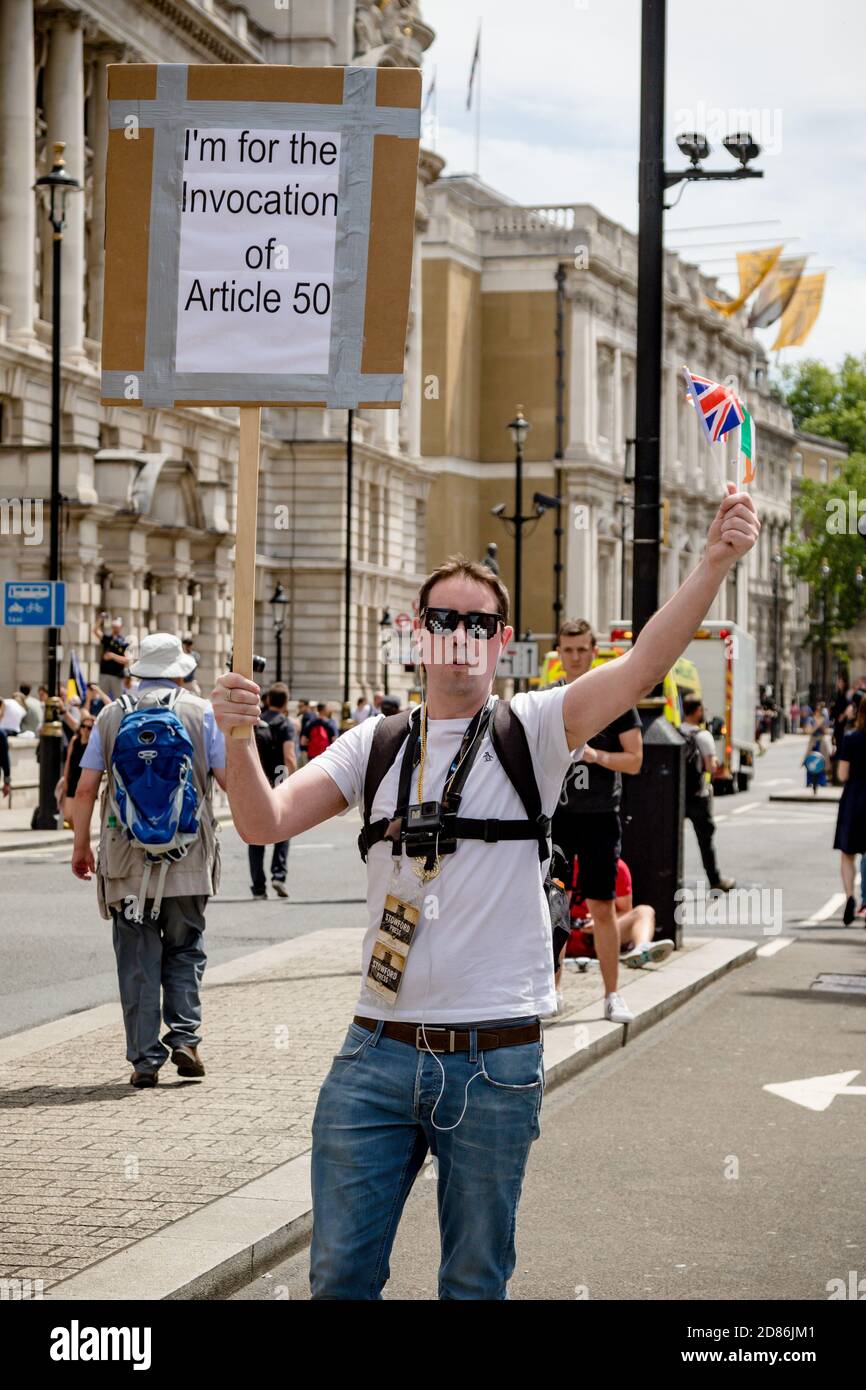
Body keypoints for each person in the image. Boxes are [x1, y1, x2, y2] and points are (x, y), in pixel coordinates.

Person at [210, 483, 759, 1301]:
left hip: (494, 1061)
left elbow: (644, 662)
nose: (460, 638)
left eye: (478, 625)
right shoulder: (378, 742)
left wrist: (715, 561)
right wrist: (235, 738)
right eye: (445, 621)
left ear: (500, 641)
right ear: (419, 635)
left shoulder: (533, 729)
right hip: (375, 1053)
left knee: (473, 1282)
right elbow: (263, 823)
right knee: (338, 1278)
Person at [71, 632, 227, 1088]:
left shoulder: (110, 715)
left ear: (135, 671)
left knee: (136, 957)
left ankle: (144, 1060)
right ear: (181, 668)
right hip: (188, 852)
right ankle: (185, 1038)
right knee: (185, 948)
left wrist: (82, 846)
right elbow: (232, 783)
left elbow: (84, 789)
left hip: (125, 857)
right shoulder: (202, 713)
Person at [550, 619, 643, 1024]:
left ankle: (611, 994)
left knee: (603, 905)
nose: (574, 657)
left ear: (593, 650)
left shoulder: (614, 697)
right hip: (558, 816)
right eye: (567, 650)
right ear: (559, 652)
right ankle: (552, 990)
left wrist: (594, 756)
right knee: (554, 904)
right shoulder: (548, 699)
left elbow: (635, 760)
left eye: (581, 650)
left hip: (600, 815)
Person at [548, 855, 674, 1012]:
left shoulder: (616, 866)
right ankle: (553, 988)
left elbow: (625, 911)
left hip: (600, 934)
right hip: (565, 935)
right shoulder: (558, 863)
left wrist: (599, 921)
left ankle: (641, 948)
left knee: (645, 911)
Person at [681, 694, 735, 892]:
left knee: (671, 840)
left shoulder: (674, 732)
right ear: (697, 711)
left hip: (677, 797)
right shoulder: (703, 736)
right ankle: (715, 880)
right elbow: (711, 767)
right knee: (705, 841)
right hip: (698, 796)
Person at [249, 683, 297, 900]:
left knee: (256, 833)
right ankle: (279, 874)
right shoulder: (285, 724)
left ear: (268, 701)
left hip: (258, 781)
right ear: (286, 702)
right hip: (279, 782)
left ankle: (259, 887)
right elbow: (289, 756)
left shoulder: (257, 723)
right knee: (283, 829)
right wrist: (294, 779)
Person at [834, 698, 866, 925]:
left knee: (848, 853)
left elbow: (842, 775)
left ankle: (849, 898)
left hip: (854, 799)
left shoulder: (851, 738)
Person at [56, 713, 95, 828]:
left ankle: (83, 839)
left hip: (84, 781)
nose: (85, 730)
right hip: (72, 779)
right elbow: (68, 761)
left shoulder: (92, 744)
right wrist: (65, 779)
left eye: (89, 728)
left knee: (83, 815)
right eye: (83, 726)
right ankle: (79, 834)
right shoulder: (74, 740)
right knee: (68, 814)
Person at [92, 614, 131, 700]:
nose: (115, 628)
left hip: (116, 676)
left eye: (116, 626)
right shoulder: (107, 639)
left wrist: (113, 656)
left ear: (120, 627)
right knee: (101, 698)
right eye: (113, 626)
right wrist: (100, 619)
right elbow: (95, 630)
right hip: (104, 673)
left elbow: (126, 660)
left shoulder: (124, 642)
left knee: (119, 699)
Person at [803, 718, 831, 793]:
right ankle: (810, 781)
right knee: (810, 763)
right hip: (813, 744)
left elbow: (826, 732)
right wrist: (817, 725)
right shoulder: (810, 719)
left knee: (822, 763)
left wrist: (822, 726)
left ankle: (821, 782)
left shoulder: (824, 718)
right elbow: (808, 731)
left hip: (821, 744)